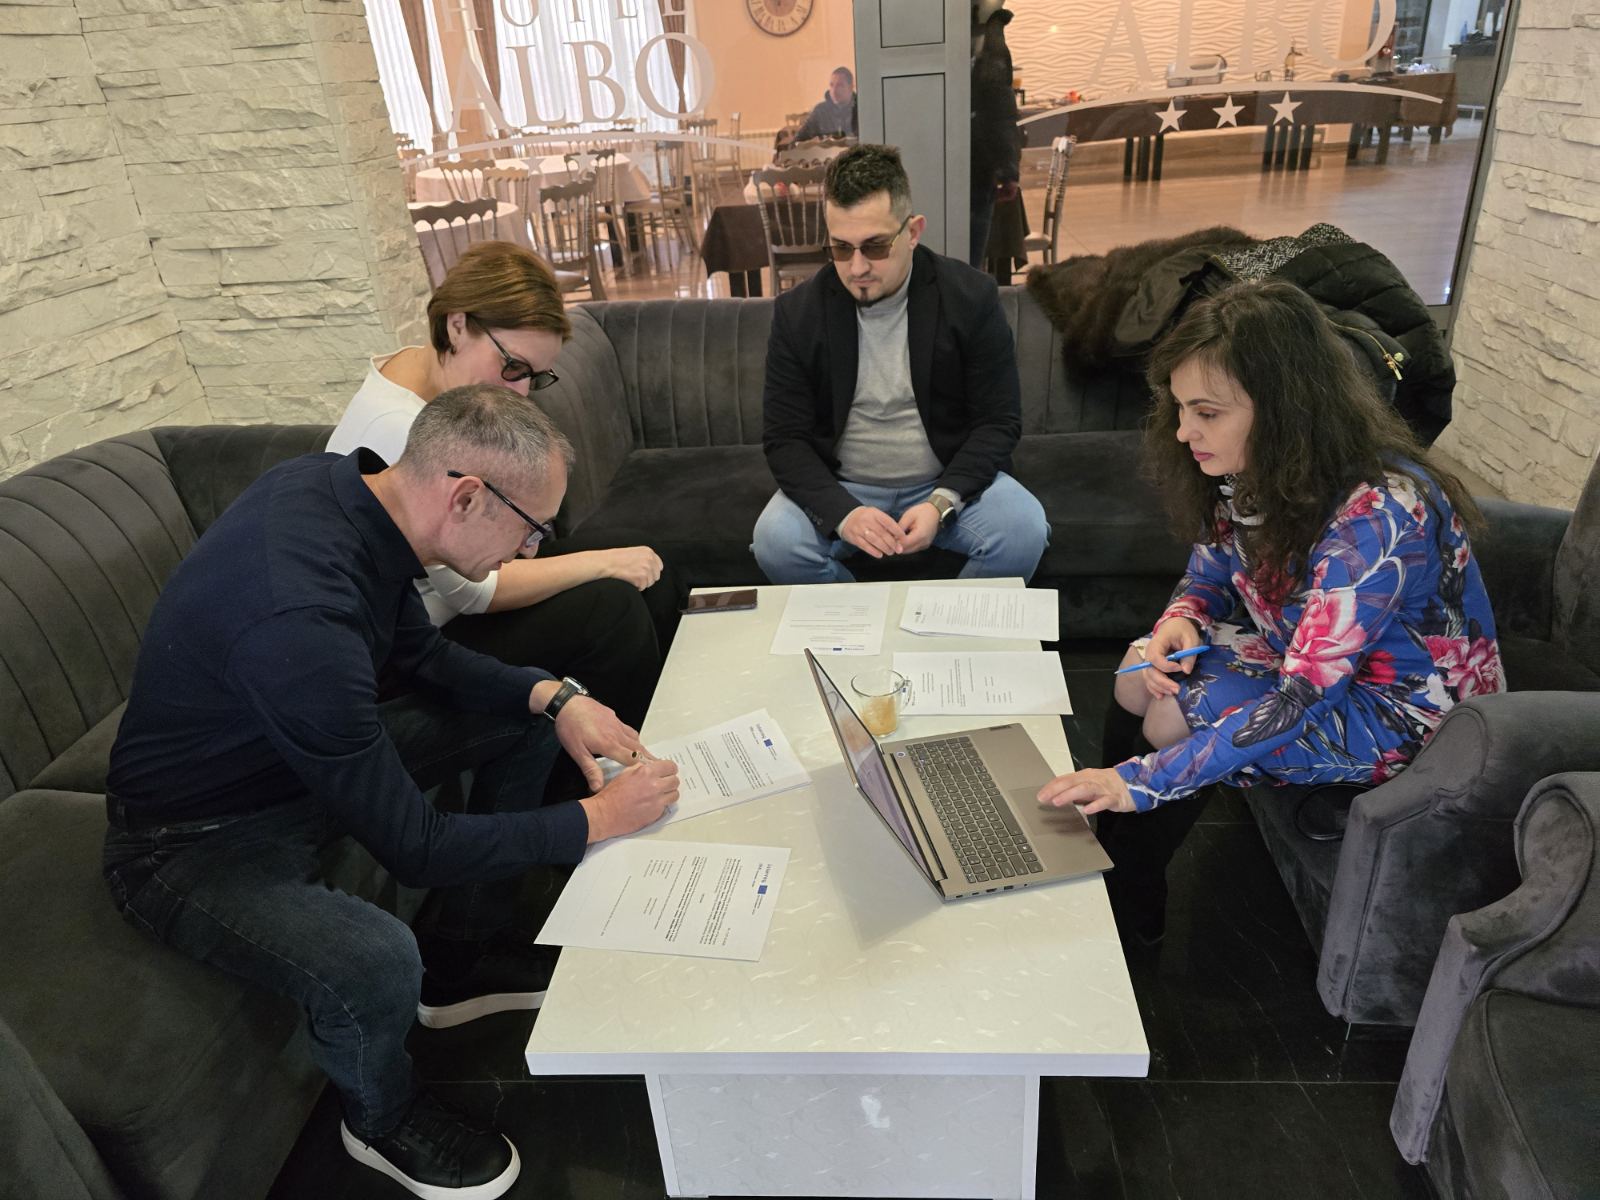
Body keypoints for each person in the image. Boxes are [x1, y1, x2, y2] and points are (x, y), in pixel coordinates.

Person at [104, 385, 681, 1200]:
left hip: (292, 760)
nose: (530, 549)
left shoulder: (341, 493)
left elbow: (422, 655)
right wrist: (595, 818)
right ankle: (381, 1116)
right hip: (189, 839)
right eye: (533, 528)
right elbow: (418, 847)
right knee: (376, 958)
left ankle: (461, 959)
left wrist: (556, 697)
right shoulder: (300, 618)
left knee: (527, 715)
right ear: (467, 496)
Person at [1035, 280, 1504, 939]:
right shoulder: (1253, 470)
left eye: (1206, 412)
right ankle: (1112, 855)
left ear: (1283, 407)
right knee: (1139, 670)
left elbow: (1304, 698)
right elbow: (1209, 573)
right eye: (1180, 408)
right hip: (1311, 664)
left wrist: (1137, 781)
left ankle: (1130, 894)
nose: (1183, 431)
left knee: (1171, 714)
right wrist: (1181, 619)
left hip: (1407, 712)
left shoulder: (1378, 515)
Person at [328, 241, 680, 751]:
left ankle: (665, 734)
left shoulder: (421, 370)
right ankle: (603, 770)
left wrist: (609, 558)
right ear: (457, 325)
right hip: (412, 646)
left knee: (646, 564)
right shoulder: (398, 428)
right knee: (613, 609)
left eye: (536, 376)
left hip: (446, 601)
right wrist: (601, 563)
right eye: (512, 366)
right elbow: (472, 591)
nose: (519, 392)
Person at [753, 143, 1049, 584]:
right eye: (841, 248)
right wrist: (844, 513)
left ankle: (950, 625)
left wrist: (941, 503)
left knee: (1023, 529)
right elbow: (785, 439)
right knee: (775, 540)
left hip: (943, 482)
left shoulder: (969, 298)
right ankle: (861, 624)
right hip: (844, 485)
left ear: (912, 232)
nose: (856, 268)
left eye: (875, 247)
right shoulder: (799, 313)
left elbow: (998, 422)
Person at [794, 65, 858, 142]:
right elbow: (797, 141)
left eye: (840, 85)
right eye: (831, 85)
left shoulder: (860, 110)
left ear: (851, 87)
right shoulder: (821, 111)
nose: (834, 90)